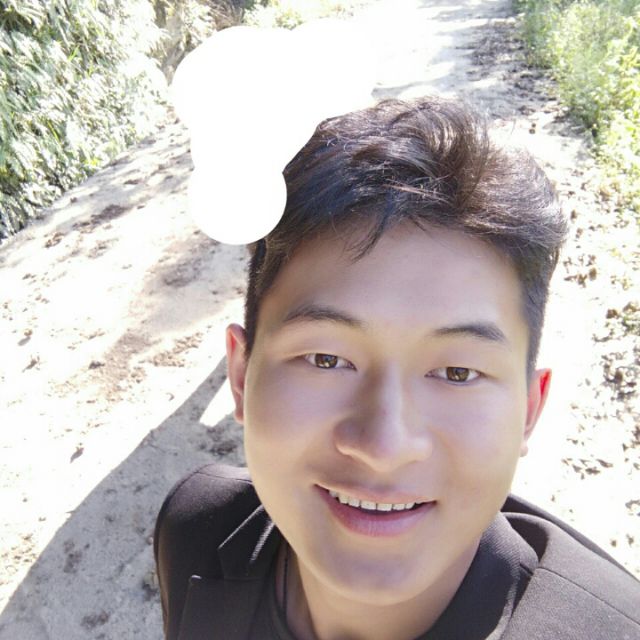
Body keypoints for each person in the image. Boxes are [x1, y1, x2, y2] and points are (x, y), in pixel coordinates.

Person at [153, 96, 640, 639]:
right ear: (243, 376)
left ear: (529, 409)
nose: (383, 447)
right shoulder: (193, 531)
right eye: (326, 360)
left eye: (457, 373)